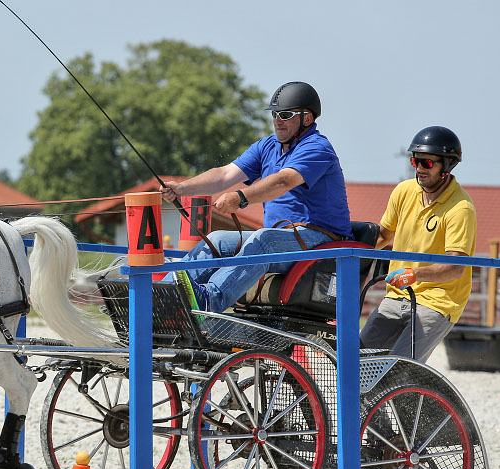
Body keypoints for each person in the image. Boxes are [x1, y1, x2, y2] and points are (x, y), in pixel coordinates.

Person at [160, 81, 352, 312]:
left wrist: (241, 197)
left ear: (307, 119)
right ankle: (164, 295)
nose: (278, 120)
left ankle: (209, 300)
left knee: (264, 240)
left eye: (286, 114)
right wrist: (182, 188)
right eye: (275, 114)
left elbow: (284, 181)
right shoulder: (267, 146)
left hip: (321, 240)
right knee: (219, 238)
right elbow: (223, 175)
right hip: (284, 238)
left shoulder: (317, 147)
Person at [359, 126, 476, 362]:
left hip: (437, 301)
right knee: (357, 359)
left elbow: (455, 267)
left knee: (401, 369)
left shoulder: (460, 209)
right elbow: (382, 237)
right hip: (397, 294)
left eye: (427, 163)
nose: (419, 168)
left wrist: (414, 274)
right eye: (415, 161)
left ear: (447, 165)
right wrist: (349, 261)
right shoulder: (403, 191)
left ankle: (422, 397)